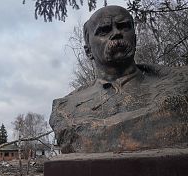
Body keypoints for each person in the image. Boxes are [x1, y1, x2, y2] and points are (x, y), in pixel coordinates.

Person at [49, 5, 188, 153]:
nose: (116, 33)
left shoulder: (180, 85)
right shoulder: (65, 109)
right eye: (104, 30)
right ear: (88, 51)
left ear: (135, 39)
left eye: (124, 27)